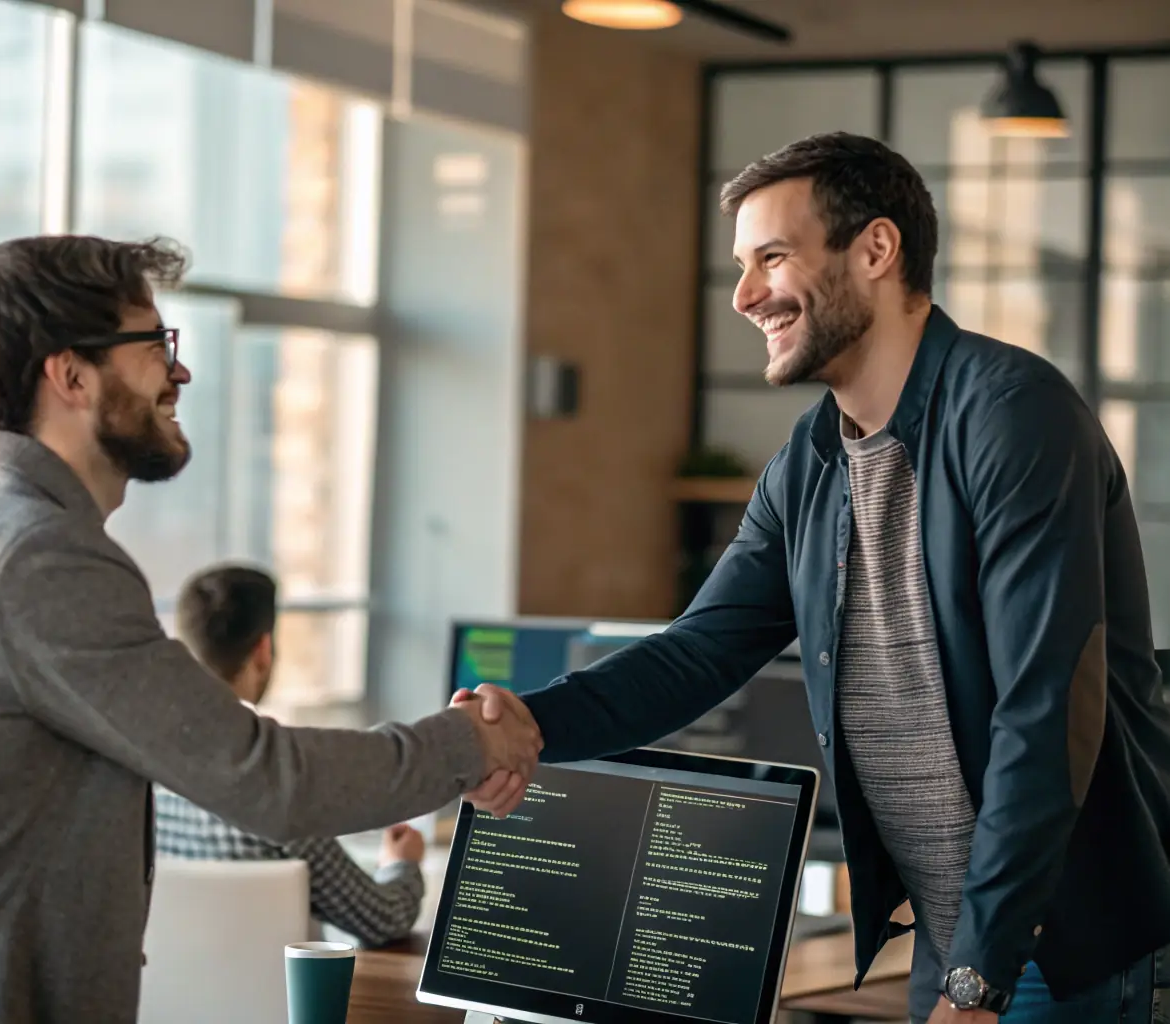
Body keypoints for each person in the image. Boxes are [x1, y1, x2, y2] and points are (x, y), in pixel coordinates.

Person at [454, 133, 1170, 1024]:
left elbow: (1046, 707)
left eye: (771, 258)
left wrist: (976, 978)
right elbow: (698, 652)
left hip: (1048, 946)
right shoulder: (811, 461)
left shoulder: (1012, 415)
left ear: (875, 250)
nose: (745, 296)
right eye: (740, 267)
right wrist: (530, 723)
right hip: (951, 937)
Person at [0, 234, 541, 1024]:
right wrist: (467, 743)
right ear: (71, 374)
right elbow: (268, 780)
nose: (179, 370)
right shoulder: (39, 557)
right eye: (156, 344)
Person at [154, 563, 429, 948]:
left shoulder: (146, 774)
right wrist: (402, 862)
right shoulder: (276, 789)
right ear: (263, 650)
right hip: (286, 1007)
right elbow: (384, 920)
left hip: (166, 1005)